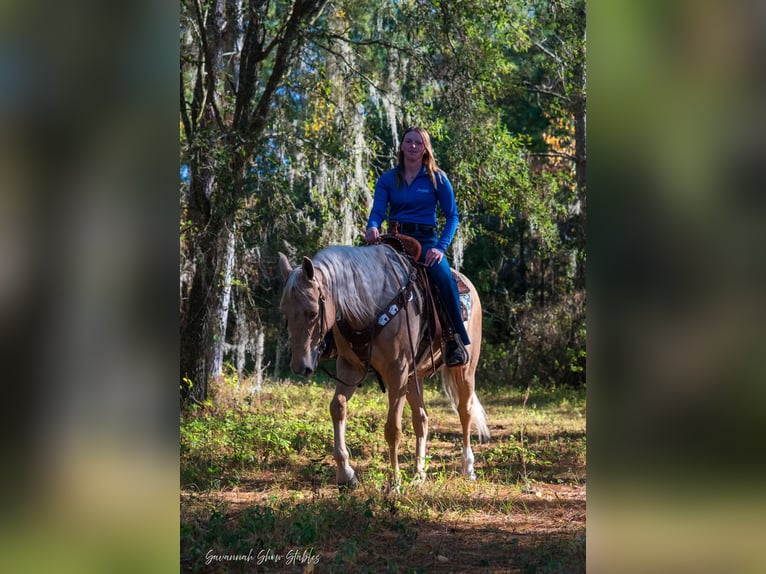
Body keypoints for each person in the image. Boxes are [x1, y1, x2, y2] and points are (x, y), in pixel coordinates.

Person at [365, 126, 470, 366]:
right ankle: (349, 338)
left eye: (418, 143)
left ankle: (455, 340)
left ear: (425, 149)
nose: (413, 146)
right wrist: (372, 226)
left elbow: (452, 215)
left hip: (427, 243)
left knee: (443, 279)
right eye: (409, 141)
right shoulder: (389, 178)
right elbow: (378, 210)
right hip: (395, 240)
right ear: (401, 146)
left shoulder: (437, 178)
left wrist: (441, 248)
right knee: (362, 273)